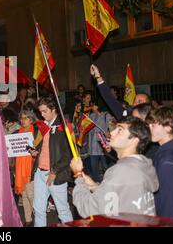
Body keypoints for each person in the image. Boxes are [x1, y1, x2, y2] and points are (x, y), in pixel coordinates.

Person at [70, 116, 159, 218]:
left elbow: (89, 209)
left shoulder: (121, 171)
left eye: (120, 130)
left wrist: (78, 175)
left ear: (134, 140)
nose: (112, 132)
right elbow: (120, 196)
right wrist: (95, 186)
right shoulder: (141, 165)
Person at [31, 96, 73, 227]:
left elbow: (69, 154)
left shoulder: (63, 126)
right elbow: (47, 147)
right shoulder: (45, 125)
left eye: (44, 111)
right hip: (40, 172)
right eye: (40, 112)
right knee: (38, 209)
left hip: (55, 173)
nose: (42, 115)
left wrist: (54, 171)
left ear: (54, 109)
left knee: (63, 210)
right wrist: (36, 152)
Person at [146, 107, 173, 220]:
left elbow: (171, 204)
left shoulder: (168, 159)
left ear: (168, 128)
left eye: (153, 125)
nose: (149, 129)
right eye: (148, 125)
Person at [14, 110, 38, 227]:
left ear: (31, 119)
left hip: (31, 168)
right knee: (24, 195)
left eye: (25, 118)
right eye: (21, 118)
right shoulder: (18, 132)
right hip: (20, 168)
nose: (22, 120)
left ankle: (38, 216)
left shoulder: (36, 132)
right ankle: (28, 219)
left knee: (30, 194)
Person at [86, 104, 113, 183]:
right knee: (94, 168)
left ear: (97, 106)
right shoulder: (91, 116)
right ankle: (96, 184)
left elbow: (113, 126)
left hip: (103, 147)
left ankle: (109, 183)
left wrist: (109, 132)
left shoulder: (106, 115)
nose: (92, 107)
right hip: (92, 147)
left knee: (106, 167)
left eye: (93, 105)